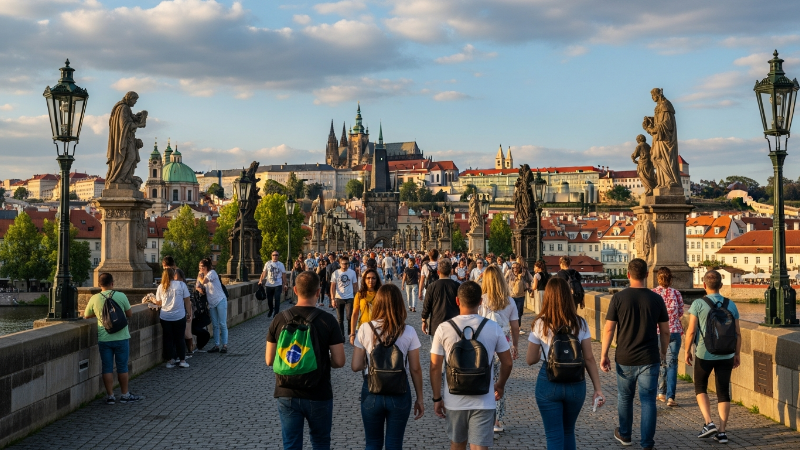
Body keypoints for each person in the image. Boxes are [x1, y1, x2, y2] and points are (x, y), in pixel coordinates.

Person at [266, 271, 346, 450]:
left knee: (291, 444)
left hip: (286, 392)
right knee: (320, 442)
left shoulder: (279, 319)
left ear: (294, 290)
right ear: (318, 291)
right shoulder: (328, 320)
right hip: (318, 392)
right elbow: (340, 361)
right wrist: (320, 360)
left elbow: (269, 360)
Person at [430, 281, 513, 450]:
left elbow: (435, 367)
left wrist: (437, 397)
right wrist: (500, 385)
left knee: (457, 444)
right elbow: (507, 362)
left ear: (457, 301)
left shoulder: (444, 328)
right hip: (484, 399)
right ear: (480, 302)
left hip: (454, 399)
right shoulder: (493, 327)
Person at [526, 277, 605, 450]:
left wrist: (543, 350)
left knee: (554, 434)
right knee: (568, 431)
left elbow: (530, 360)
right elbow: (589, 358)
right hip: (576, 383)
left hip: (549, 381)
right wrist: (597, 389)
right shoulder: (580, 323)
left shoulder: (540, 323)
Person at [600, 258, 669, 450]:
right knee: (648, 401)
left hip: (625, 357)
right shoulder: (657, 299)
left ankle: (625, 434)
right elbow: (665, 332)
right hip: (649, 357)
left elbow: (609, 329)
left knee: (625, 397)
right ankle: (647, 443)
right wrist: (663, 353)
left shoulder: (618, 298)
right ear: (647, 275)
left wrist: (604, 354)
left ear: (628, 275)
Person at [352, 284, 424, 449]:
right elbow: (415, 369)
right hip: (399, 391)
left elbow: (355, 366)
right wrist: (420, 399)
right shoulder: (409, 331)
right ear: (399, 304)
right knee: (394, 443)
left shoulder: (365, 328)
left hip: (372, 389)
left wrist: (369, 361)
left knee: (372, 443)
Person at [684, 270, 741, 444]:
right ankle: (722, 432)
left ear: (704, 285)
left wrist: (687, 351)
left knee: (700, 386)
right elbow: (737, 333)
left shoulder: (698, 304)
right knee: (723, 391)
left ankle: (709, 423)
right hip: (727, 353)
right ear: (721, 285)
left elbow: (691, 331)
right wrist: (737, 353)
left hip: (704, 353)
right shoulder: (731, 304)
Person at [84, 273, 142, 404]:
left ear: (99, 284)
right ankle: (125, 395)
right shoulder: (121, 296)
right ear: (112, 283)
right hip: (121, 337)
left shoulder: (94, 298)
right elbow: (129, 313)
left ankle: (110, 396)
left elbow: (86, 315)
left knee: (107, 367)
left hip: (104, 338)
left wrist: (99, 313)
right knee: (122, 367)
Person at [479, 265, 520, 433]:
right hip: (503, 344)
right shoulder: (509, 301)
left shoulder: (481, 300)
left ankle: (484, 418)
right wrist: (515, 345)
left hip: (484, 344)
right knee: (499, 382)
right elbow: (515, 327)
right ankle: (496, 420)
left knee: (485, 381)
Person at [652, 267, 684, 407]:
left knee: (660, 362)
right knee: (672, 364)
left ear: (658, 279)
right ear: (671, 279)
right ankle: (671, 397)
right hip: (674, 332)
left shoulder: (653, 294)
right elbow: (681, 312)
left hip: (658, 332)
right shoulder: (676, 293)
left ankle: (660, 393)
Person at [156, 267, 192, 368]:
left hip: (165, 316)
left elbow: (159, 302)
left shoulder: (161, 287)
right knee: (180, 338)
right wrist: (189, 313)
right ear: (173, 275)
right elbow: (187, 301)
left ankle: (170, 361)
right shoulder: (181, 285)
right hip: (179, 315)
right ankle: (182, 360)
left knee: (168, 339)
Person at [421, 259, 460, 339]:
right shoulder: (457, 286)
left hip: (436, 324)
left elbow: (427, 306)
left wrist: (424, 320)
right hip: (454, 324)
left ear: (438, 272)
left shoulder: (432, 286)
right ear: (450, 272)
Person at [197, 258, 229, 354]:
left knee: (222, 323)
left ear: (206, 267)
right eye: (199, 267)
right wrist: (199, 289)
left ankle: (224, 345)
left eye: (202, 266)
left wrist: (199, 277)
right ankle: (216, 345)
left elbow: (204, 282)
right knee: (215, 325)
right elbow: (198, 286)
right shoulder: (202, 275)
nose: (200, 268)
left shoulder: (212, 273)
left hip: (220, 300)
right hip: (211, 303)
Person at [350, 268, 382, 344]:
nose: (371, 280)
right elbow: (355, 314)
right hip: (363, 327)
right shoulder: (359, 295)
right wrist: (352, 333)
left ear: (377, 279)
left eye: (373, 278)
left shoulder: (381, 294)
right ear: (364, 280)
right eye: (368, 278)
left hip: (378, 329)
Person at [331, 254, 358, 338]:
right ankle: (341, 335)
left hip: (349, 297)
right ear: (340, 264)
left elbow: (355, 285)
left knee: (349, 317)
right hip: (339, 298)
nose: (345, 265)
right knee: (340, 319)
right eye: (343, 263)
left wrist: (357, 297)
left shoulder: (352, 272)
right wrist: (332, 299)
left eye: (347, 263)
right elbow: (332, 286)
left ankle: (350, 333)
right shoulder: (335, 273)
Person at [259, 251, 288, 317]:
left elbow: (284, 275)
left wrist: (285, 284)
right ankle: (271, 310)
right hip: (269, 284)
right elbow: (264, 273)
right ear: (271, 256)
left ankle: (276, 312)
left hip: (278, 284)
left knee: (277, 298)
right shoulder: (268, 263)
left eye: (276, 255)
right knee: (269, 299)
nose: (275, 256)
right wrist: (260, 280)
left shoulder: (281, 264)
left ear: (278, 256)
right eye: (273, 255)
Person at [505, 262, 532, 334]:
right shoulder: (509, 273)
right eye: (513, 267)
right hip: (511, 296)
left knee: (519, 312)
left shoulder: (522, 274)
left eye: (516, 267)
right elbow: (504, 281)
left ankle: (518, 328)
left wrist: (529, 289)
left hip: (521, 296)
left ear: (519, 268)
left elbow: (527, 282)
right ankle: (512, 327)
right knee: (511, 312)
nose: (515, 269)